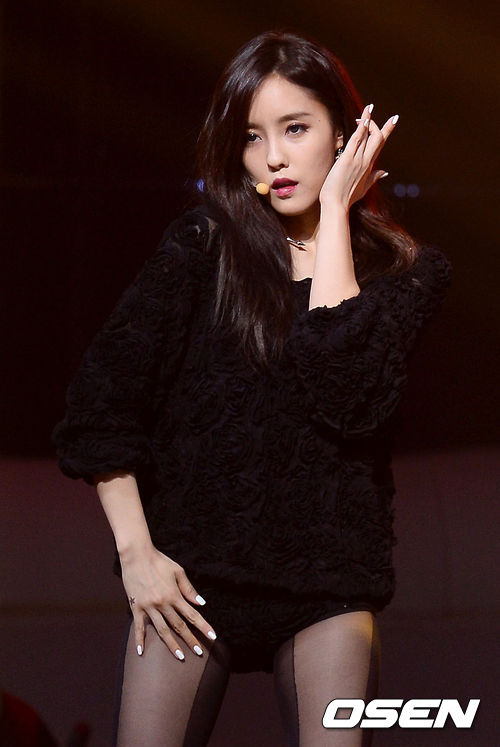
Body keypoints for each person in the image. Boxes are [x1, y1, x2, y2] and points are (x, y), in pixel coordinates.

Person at [52, 28, 452, 747]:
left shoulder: (409, 271)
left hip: (327, 587)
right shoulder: (201, 247)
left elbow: (348, 394)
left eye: (295, 128)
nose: (272, 157)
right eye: (250, 137)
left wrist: (335, 217)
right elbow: (100, 408)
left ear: (343, 133)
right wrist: (138, 557)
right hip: (190, 582)